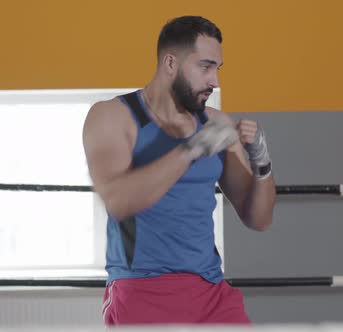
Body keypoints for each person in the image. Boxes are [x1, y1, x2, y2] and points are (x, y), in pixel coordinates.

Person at [82, 15, 276, 325]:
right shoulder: (113, 117)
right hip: (141, 288)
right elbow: (118, 201)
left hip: (212, 291)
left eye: (217, 69)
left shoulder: (215, 123)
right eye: (205, 67)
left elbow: (259, 219)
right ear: (171, 63)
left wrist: (262, 161)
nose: (215, 81)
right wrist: (192, 150)